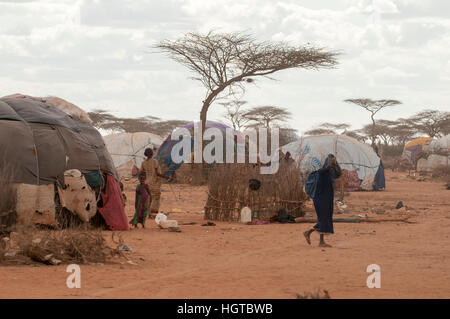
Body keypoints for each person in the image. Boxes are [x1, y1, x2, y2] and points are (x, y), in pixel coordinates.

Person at [304, 154, 342, 247]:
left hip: (327, 199)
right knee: (323, 219)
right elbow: (326, 169)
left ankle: (315, 237)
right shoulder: (322, 172)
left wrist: (335, 163)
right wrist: (330, 164)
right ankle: (312, 235)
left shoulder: (330, 174)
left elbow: (339, 173)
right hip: (320, 200)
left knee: (325, 219)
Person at [140, 148, 169, 217]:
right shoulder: (154, 161)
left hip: (147, 182)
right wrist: (165, 176)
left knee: (149, 198)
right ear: (152, 154)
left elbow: (141, 173)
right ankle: (152, 213)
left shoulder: (143, 163)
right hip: (154, 182)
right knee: (155, 198)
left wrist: (142, 182)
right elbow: (157, 173)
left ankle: (148, 213)